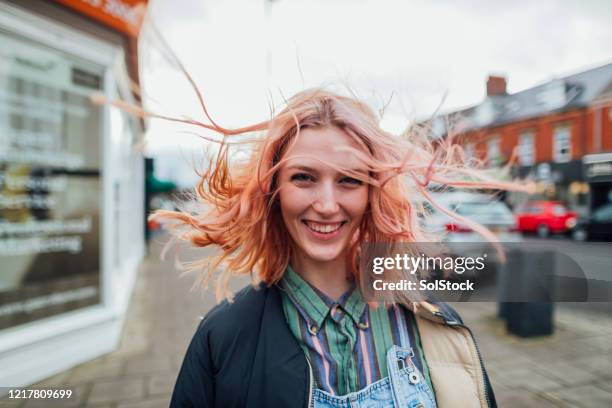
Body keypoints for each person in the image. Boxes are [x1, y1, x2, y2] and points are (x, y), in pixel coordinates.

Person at [150, 88, 515, 408]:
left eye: (349, 180)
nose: (326, 204)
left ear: (373, 193)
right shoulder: (222, 338)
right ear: (273, 190)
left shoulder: (438, 325)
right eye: (304, 177)